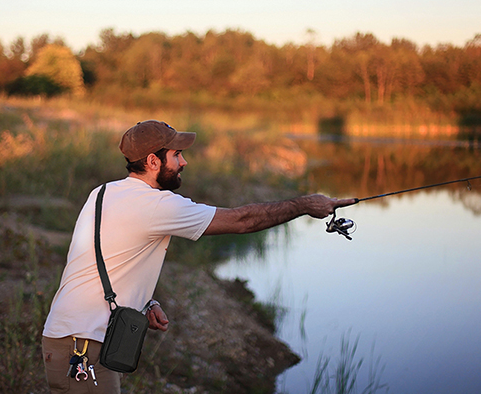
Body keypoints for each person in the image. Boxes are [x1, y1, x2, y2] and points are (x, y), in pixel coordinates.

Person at [41, 120, 355, 393]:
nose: (184, 162)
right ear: (153, 161)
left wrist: (143, 301)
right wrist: (304, 205)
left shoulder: (103, 192)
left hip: (74, 338)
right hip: (82, 348)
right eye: (177, 154)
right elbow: (242, 221)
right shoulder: (157, 205)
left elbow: (106, 257)